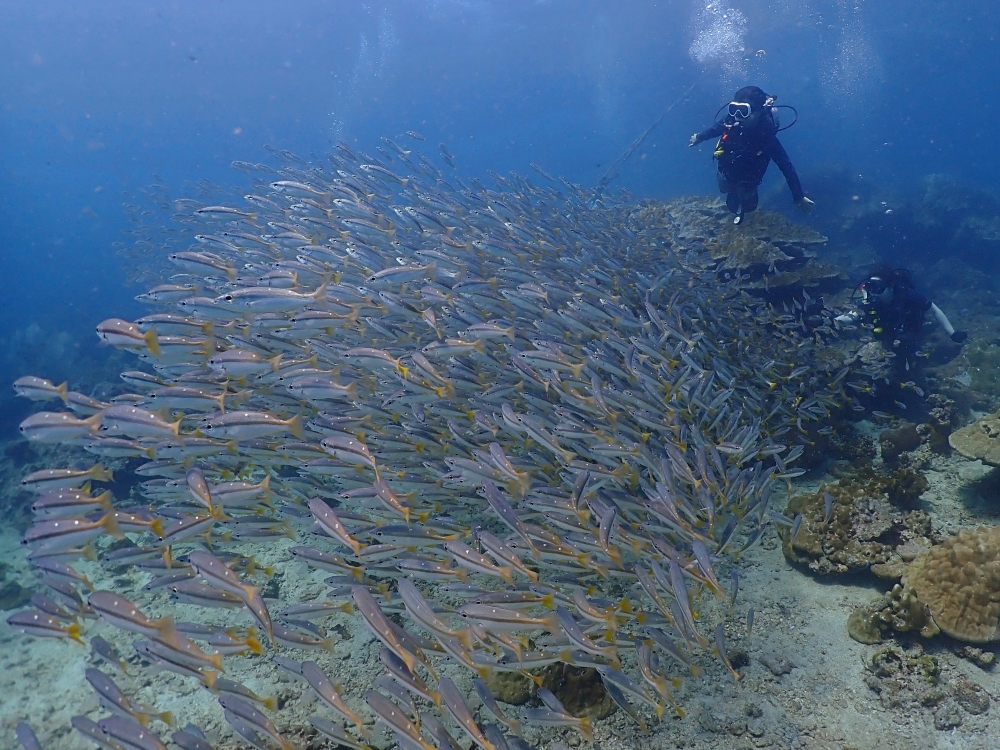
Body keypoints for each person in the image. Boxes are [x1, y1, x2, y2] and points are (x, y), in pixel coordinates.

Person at [689, 85, 814, 224]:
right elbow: (715, 129)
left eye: (743, 111)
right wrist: (699, 137)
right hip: (727, 170)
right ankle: (735, 194)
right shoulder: (731, 119)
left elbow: (786, 166)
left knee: (749, 204)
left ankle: (743, 202)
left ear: (759, 111)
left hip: (749, 178)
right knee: (725, 189)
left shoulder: (766, 135)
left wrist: (798, 197)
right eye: (733, 109)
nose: (737, 116)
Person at [835, 267, 967, 364]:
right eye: (870, 287)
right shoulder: (871, 300)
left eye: (878, 287)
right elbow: (854, 315)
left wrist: (952, 333)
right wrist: (834, 321)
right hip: (886, 334)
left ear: (890, 286)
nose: (874, 292)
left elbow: (934, 310)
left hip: (909, 330)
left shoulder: (908, 295)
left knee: (910, 356)